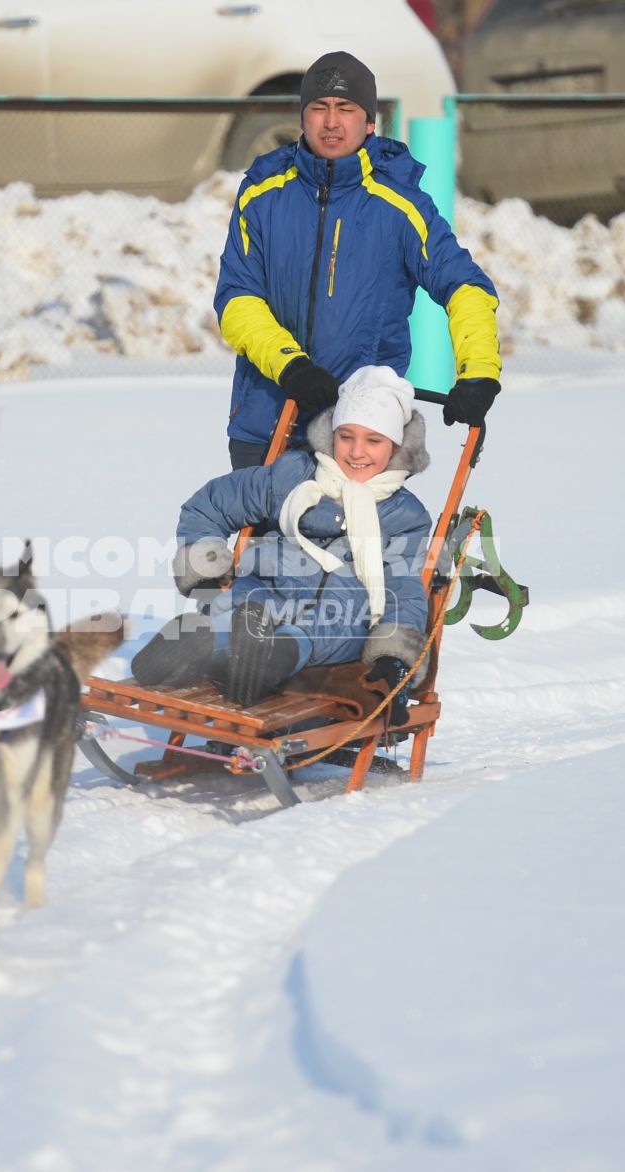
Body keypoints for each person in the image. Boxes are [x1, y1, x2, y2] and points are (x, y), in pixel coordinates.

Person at [215, 51, 503, 469]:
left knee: (361, 537)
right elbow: (237, 297)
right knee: (259, 537)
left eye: (346, 109)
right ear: (302, 118)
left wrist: (478, 374)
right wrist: (291, 367)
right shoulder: (261, 194)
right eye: (319, 108)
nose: (331, 122)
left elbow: (466, 286)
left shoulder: (399, 204)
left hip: (360, 432)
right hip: (266, 422)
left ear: (369, 122)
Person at [133, 366, 434, 714]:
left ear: (396, 447)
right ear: (331, 433)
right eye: (346, 436)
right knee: (241, 607)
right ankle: (197, 643)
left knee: (325, 629)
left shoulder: (405, 516)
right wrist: (204, 563)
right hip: (264, 597)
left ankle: (267, 656)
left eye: (373, 441)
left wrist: (394, 657)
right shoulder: (292, 476)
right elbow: (213, 502)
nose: (356, 452)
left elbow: (403, 588)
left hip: (342, 618)